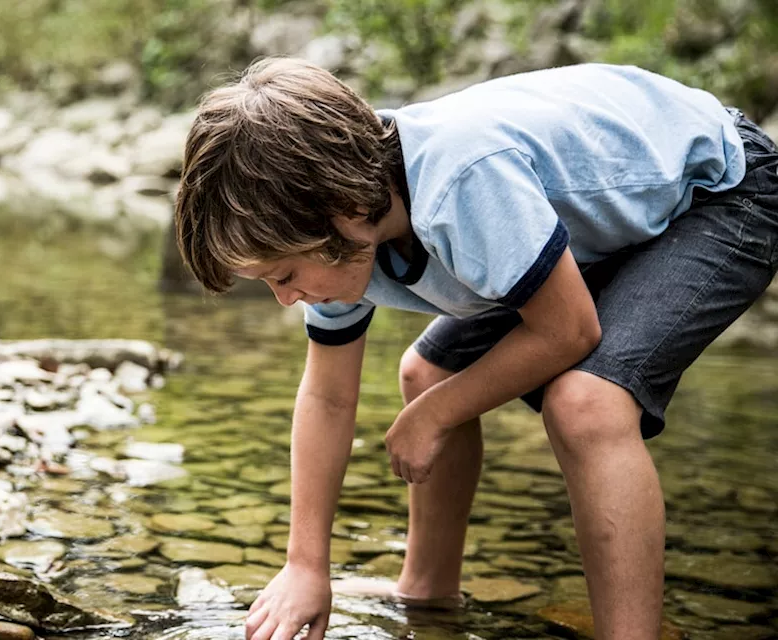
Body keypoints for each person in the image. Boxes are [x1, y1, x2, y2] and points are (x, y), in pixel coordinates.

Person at [173, 56, 778, 640]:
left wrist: (433, 416)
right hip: (602, 229)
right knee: (428, 371)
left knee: (585, 403)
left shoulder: (459, 183)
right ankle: (427, 591)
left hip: (718, 190)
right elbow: (328, 397)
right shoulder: (336, 217)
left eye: (283, 277)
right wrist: (307, 565)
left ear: (348, 213)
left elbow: (570, 332)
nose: (287, 300)